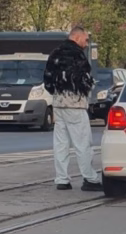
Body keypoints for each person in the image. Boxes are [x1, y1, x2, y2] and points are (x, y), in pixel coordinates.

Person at [43, 27, 102, 191]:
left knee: (61, 143)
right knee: (82, 142)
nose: (86, 43)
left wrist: (57, 92)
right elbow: (84, 80)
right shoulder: (77, 55)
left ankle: (62, 179)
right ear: (76, 37)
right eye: (85, 39)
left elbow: (47, 79)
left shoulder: (55, 53)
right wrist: (86, 88)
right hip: (75, 104)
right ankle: (90, 178)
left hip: (58, 103)